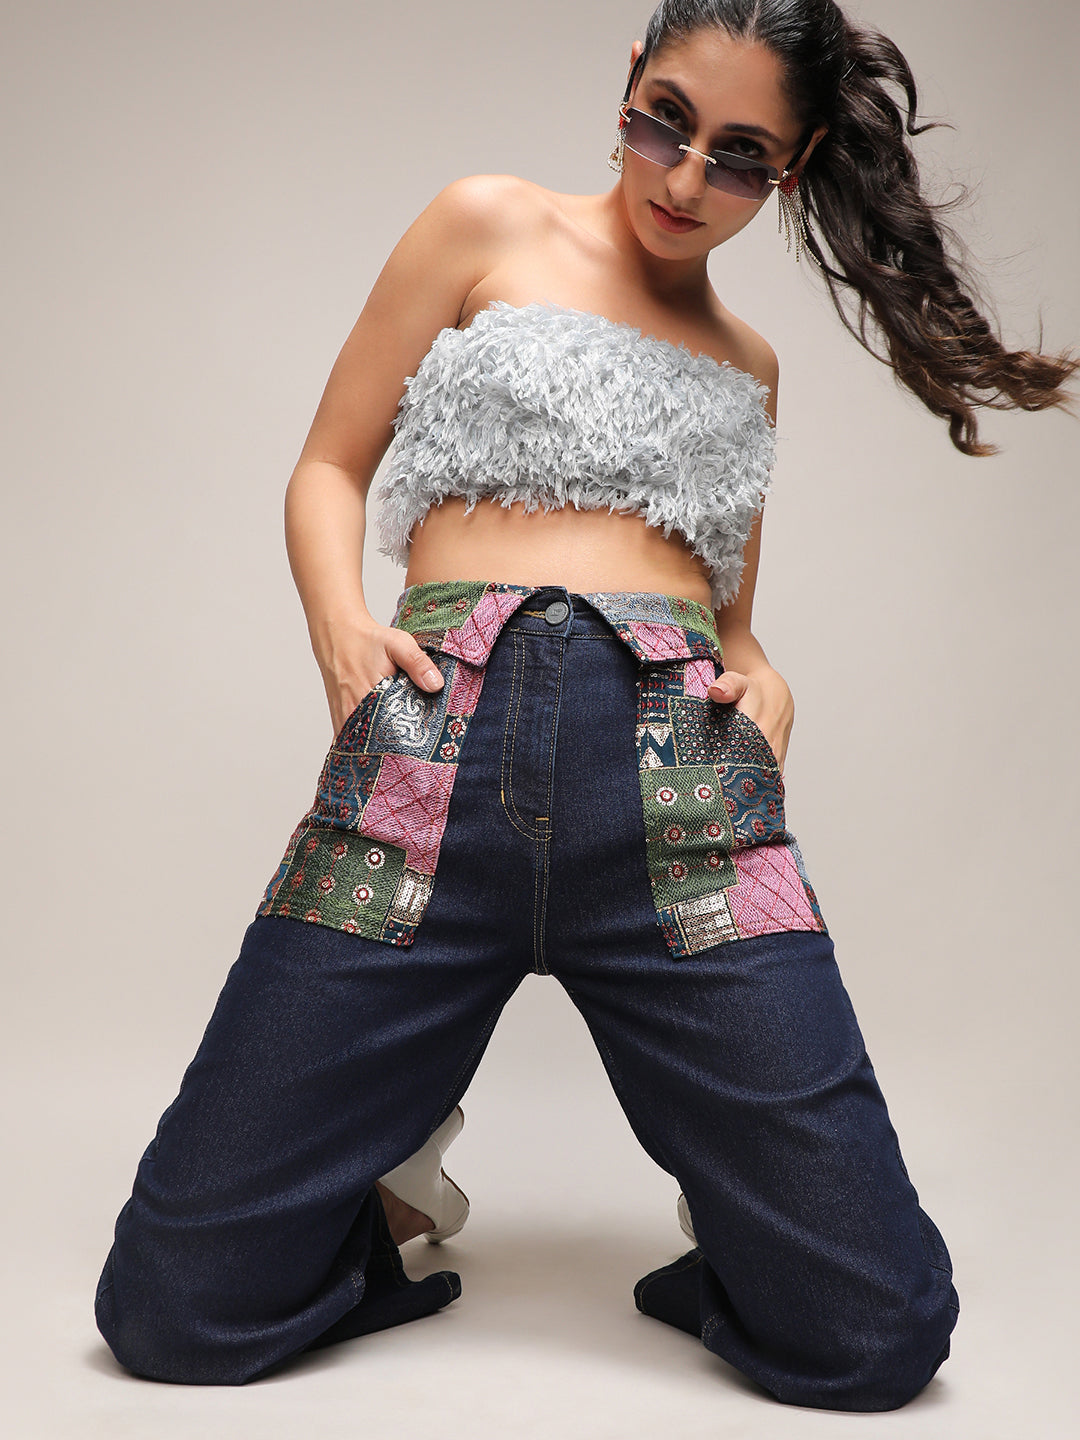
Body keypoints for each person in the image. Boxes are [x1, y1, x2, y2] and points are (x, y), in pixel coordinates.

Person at [93, 0, 1076, 1412]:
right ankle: (394, 1180)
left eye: (740, 156)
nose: (686, 179)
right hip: (428, 755)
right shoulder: (483, 223)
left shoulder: (751, 368)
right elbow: (329, 465)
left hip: (681, 787)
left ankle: (740, 1217)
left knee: (876, 1337)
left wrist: (767, 676)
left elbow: (730, 615)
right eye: (665, 122)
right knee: (170, 1312)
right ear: (630, 79)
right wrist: (343, 637)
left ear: (792, 168)